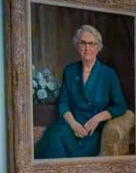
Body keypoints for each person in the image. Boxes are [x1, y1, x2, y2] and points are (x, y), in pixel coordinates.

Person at [34, 24, 128, 159]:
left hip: (92, 131)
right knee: (53, 137)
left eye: (92, 43)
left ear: (98, 48)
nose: (87, 48)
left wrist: (97, 119)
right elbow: (63, 103)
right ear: (78, 46)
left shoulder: (108, 74)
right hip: (70, 125)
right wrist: (73, 124)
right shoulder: (70, 71)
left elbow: (120, 106)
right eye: (83, 43)